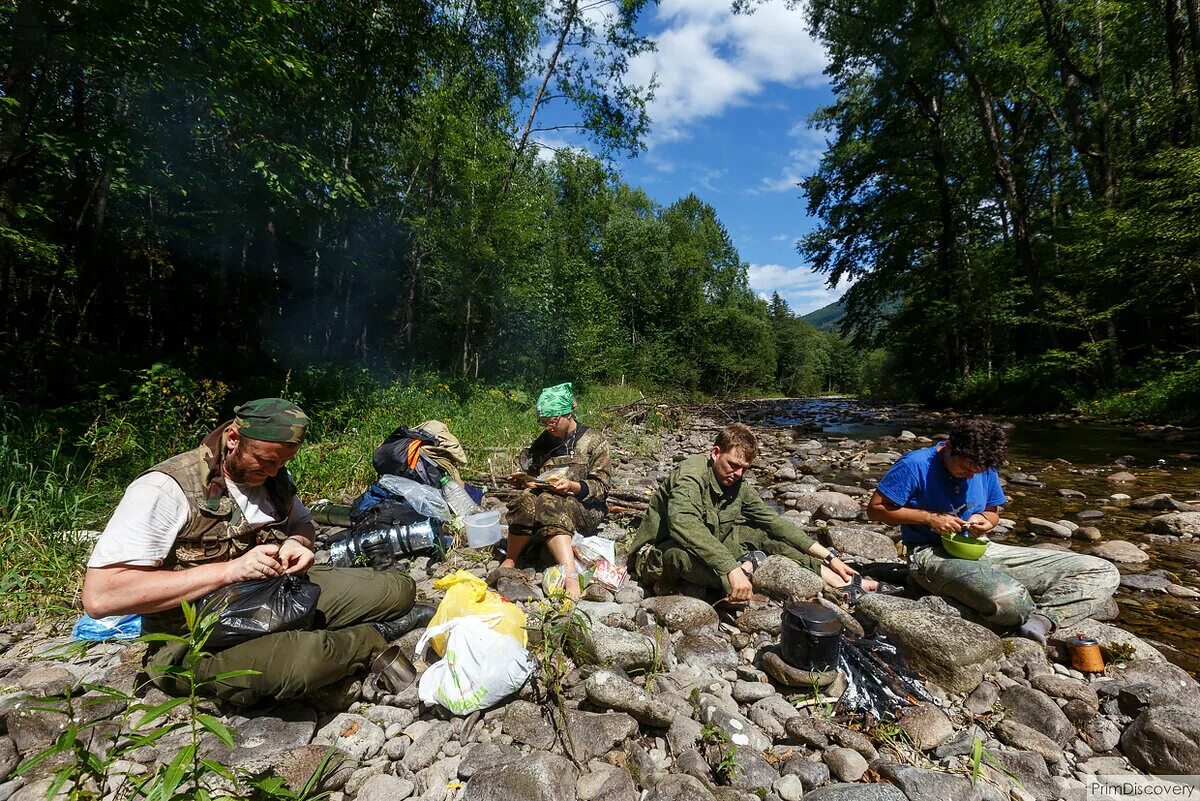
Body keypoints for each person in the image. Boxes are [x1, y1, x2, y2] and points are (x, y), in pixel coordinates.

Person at [82, 398, 434, 706]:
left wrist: (298, 544)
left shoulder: (272, 475)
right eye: (265, 462)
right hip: (195, 637)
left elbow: (302, 525)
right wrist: (227, 571)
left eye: (281, 464)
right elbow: (101, 597)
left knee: (397, 589)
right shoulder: (164, 489)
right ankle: (368, 638)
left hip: (274, 596)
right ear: (234, 440)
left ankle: (314, 636)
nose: (273, 471)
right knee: (307, 660)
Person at [866, 419, 1120, 643]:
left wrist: (986, 520)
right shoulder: (915, 464)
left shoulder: (983, 467)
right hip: (930, 553)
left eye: (975, 473)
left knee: (1103, 570)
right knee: (1011, 602)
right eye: (965, 469)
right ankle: (929, 585)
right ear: (950, 448)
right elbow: (875, 510)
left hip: (983, 549)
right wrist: (929, 518)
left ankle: (1042, 620)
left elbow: (993, 511)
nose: (969, 477)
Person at [628, 423, 874, 602]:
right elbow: (684, 525)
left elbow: (773, 522)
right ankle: (743, 576)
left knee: (763, 535)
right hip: (660, 551)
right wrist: (731, 569)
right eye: (733, 465)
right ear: (715, 453)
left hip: (713, 541)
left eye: (744, 469)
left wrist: (829, 557)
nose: (737, 474)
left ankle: (838, 581)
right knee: (682, 557)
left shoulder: (737, 484)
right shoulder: (691, 475)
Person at [502, 382, 612, 599]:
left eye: (552, 421)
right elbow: (533, 475)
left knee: (549, 503)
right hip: (548, 496)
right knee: (524, 501)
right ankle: (511, 558)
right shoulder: (543, 442)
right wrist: (525, 482)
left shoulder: (594, 441)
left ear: (568, 415)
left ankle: (571, 578)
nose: (548, 427)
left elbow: (602, 486)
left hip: (585, 506)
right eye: (543, 422)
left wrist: (573, 486)